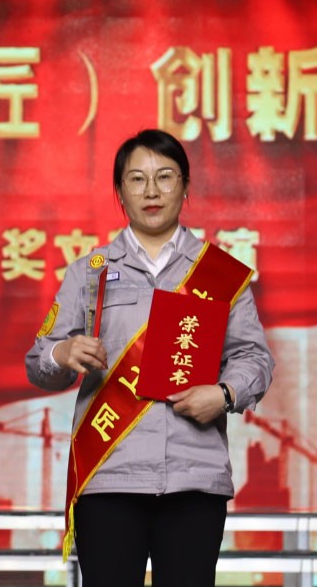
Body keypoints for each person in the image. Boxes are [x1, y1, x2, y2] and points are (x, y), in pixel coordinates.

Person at [26, 129, 274, 587]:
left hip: (194, 477)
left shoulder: (220, 273)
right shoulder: (89, 273)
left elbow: (254, 357)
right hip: (110, 476)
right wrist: (63, 351)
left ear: (186, 185)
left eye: (165, 176)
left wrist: (223, 394)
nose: (151, 191)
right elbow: (39, 361)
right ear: (120, 191)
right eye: (137, 179)